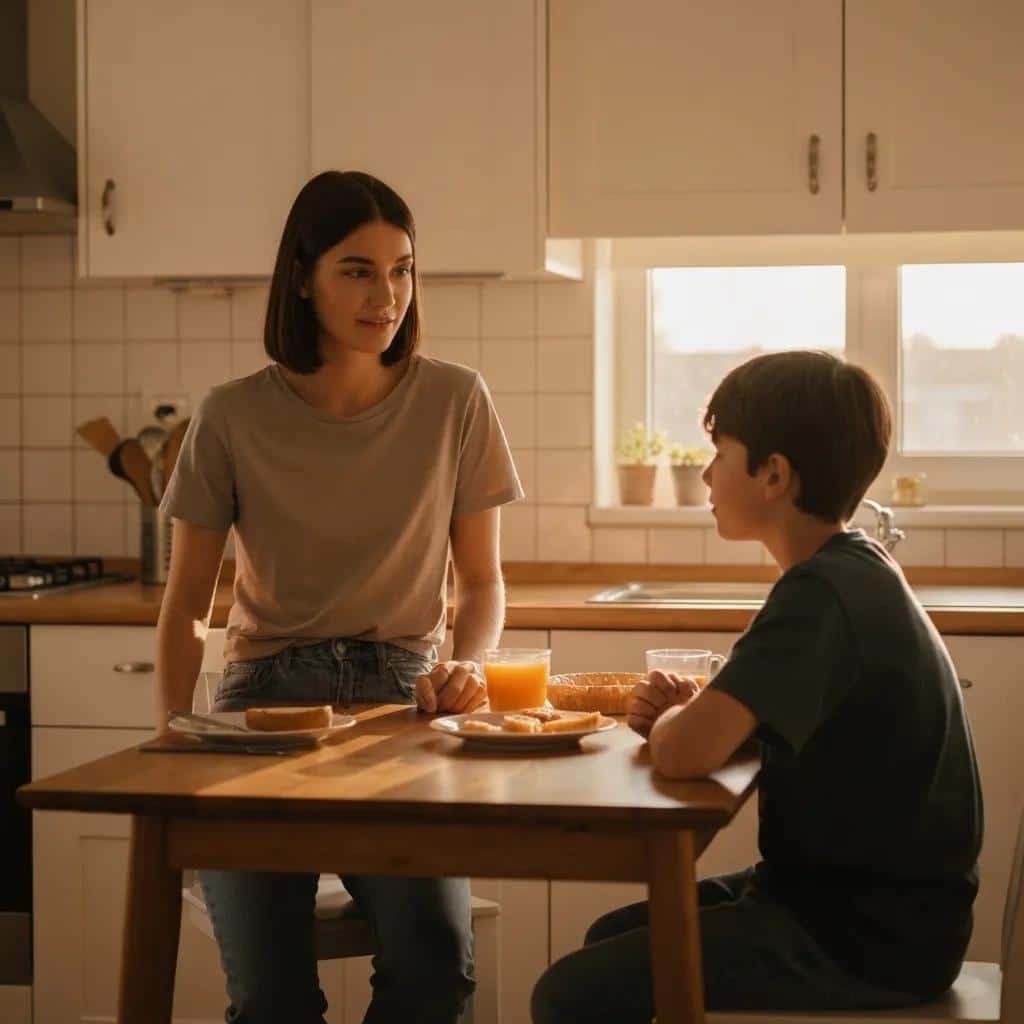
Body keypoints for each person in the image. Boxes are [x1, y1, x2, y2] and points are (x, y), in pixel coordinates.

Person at [155, 169, 524, 1024]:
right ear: (302, 276)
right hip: (259, 719)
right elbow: (186, 609)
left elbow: (483, 581)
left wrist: (469, 667)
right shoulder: (232, 415)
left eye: (401, 269)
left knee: (435, 975)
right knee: (273, 1000)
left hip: (405, 704)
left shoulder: (456, 400)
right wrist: (172, 742)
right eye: (358, 270)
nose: (386, 294)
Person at [532, 351, 982, 1023]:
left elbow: (685, 754)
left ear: (774, 474)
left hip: (861, 938)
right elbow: (729, 724)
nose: (707, 474)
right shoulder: (852, 569)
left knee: (568, 994)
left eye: (719, 454)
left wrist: (669, 725)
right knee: (612, 938)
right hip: (873, 914)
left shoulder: (819, 593)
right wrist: (693, 715)